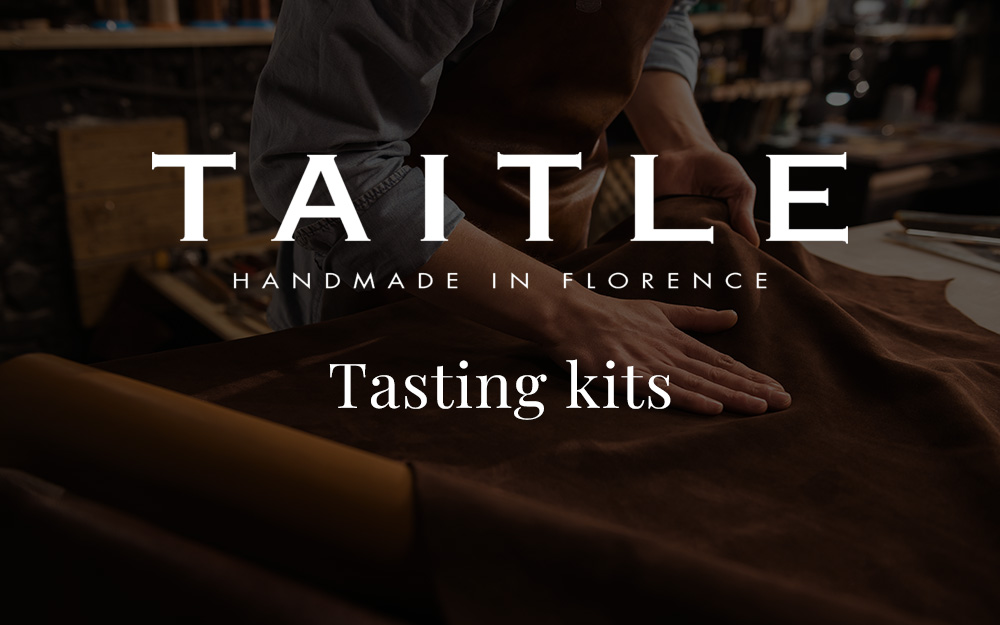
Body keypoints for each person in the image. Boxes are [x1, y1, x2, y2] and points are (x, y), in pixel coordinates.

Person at [250, 0, 792, 416]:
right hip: (393, 290)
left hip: (561, 262)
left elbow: (663, 18)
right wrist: (570, 313)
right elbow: (319, 165)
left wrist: (680, 144)